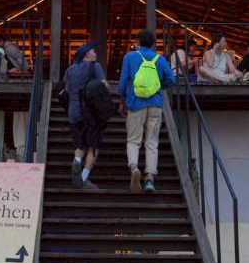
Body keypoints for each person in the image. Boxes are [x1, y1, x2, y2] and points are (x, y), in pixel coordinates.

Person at [117, 30, 175, 194]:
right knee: (152, 142)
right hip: (155, 104)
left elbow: (123, 82)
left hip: (135, 103)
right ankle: (149, 178)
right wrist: (158, 87)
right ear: (153, 44)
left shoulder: (130, 57)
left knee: (133, 140)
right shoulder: (159, 58)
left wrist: (122, 100)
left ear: (138, 42)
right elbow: (171, 79)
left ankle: (134, 167)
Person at [65, 43, 107, 189]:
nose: (95, 53)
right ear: (87, 54)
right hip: (90, 112)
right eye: (93, 51)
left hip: (73, 111)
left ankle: (76, 161)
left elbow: (67, 89)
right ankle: (83, 178)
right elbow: (104, 85)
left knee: (80, 145)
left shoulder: (70, 69)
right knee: (93, 147)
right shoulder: (94, 66)